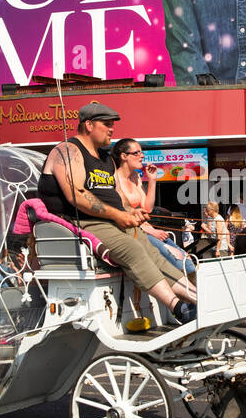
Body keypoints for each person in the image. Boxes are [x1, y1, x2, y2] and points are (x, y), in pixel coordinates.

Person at [37, 102, 197, 323]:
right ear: (89, 125)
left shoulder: (106, 159)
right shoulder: (68, 150)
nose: (112, 129)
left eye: (113, 125)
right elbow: (77, 194)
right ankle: (179, 308)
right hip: (84, 221)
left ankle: (198, 300)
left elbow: (119, 198)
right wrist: (119, 215)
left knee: (154, 252)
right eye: (107, 124)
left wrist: (133, 214)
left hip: (112, 221)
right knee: (133, 249)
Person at [112, 137, 197, 277]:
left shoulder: (136, 177)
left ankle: (195, 291)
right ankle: (190, 293)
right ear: (124, 156)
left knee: (185, 256)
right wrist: (150, 231)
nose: (142, 156)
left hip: (145, 228)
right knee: (175, 256)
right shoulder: (114, 178)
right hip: (131, 230)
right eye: (137, 153)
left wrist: (152, 180)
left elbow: (147, 209)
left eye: (142, 152)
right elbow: (123, 214)